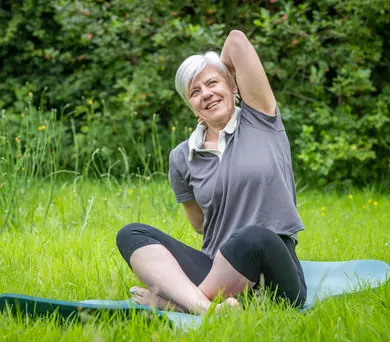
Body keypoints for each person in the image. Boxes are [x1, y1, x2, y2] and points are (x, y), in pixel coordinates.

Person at [116, 30, 307, 314]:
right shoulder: (181, 157)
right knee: (131, 233)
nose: (206, 94)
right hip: (216, 268)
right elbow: (199, 224)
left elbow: (237, 41)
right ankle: (206, 309)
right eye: (195, 92)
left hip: (273, 272)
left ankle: (179, 304)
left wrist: (224, 73)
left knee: (253, 236)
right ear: (191, 106)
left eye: (212, 83)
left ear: (233, 86)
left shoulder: (261, 120)